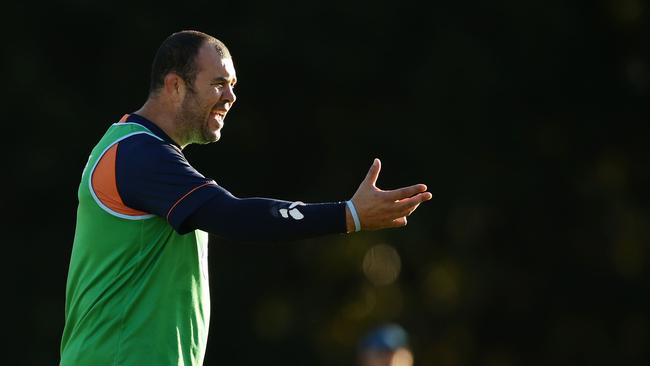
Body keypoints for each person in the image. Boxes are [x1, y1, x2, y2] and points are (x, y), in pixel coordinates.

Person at [59, 30, 432, 366]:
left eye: (233, 85)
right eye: (218, 83)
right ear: (174, 85)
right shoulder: (139, 154)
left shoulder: (141, 152)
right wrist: (347, 214)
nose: (231, 97)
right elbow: (233, 215)